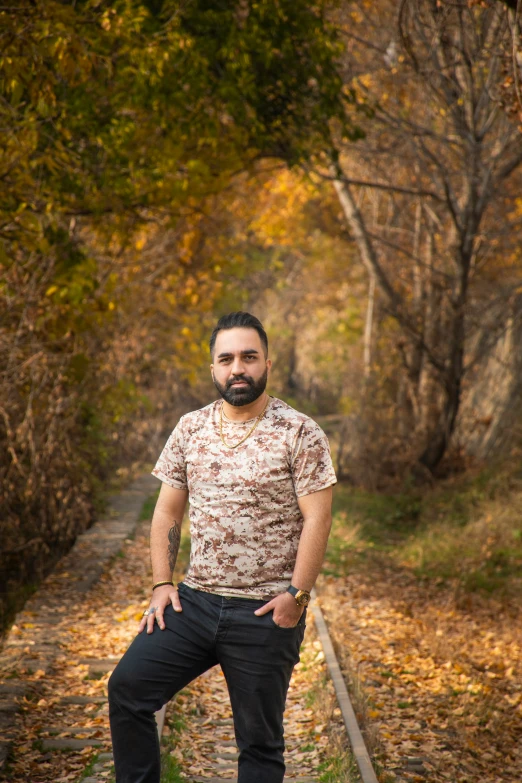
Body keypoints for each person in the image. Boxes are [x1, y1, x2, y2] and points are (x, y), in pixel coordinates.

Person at [108, 311, 337, 783]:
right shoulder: (190, 428)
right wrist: (160, 584)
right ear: (213, 369)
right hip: (194, 603)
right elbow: (167, 513)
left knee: (259, 744)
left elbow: (318, 516)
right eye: (227, 358)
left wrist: (296, 596)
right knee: (128, 689)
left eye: (249, 357)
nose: (238, 368)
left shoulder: (299, 431)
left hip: (264, 612)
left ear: (267, 364)